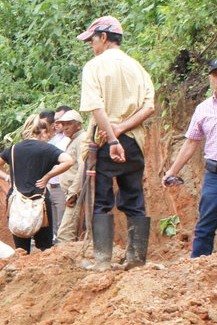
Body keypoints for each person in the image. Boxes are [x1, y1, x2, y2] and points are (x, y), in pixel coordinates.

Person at [78, 15, 155, 270]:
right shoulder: (137, 67)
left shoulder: (94, 66)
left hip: (103, 142)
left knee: (101, 199)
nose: (91, 45)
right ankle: (136, 259)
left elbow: (96, 107)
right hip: (134, 140)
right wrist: (122, 129)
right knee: (133, 197)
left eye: (92, 40)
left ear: (103, 37)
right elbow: (149, 106)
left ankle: (102, 260)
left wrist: (112, 137)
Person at [162, 57, 217, 257]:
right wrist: (172, 171)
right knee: (205, 226)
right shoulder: (203, 109)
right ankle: (197, 270)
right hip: (215, 175)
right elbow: (192, 142)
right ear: (210, 79)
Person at [0, 114, 74, 254]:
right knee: (44, 246)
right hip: (40, 201)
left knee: (21, 249)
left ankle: (21, 272)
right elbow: (68, 160)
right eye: (48, 133)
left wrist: (7, 177)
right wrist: (48, 176)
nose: (48, 137)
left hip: (16, 202)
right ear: (43, 131)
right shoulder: (47, 149)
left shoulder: (14, 149)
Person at [55, 110, 87, 242]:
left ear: (78, 125)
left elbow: (83, 166)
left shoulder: (82, 139)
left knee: (65, 234)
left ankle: (65, 257)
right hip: (71, 191)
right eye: (63, 124)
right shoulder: (74, 140)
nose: (65, 127)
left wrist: (74, 192)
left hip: (76, 192)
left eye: (69, 124)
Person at [47, 108, 72, 241]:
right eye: (55, 120)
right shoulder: (55, 139)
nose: (56, 123)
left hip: (63, 187)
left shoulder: (69, 141)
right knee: (53, 227)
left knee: (62, 226)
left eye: (60, 120)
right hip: (52, 186)